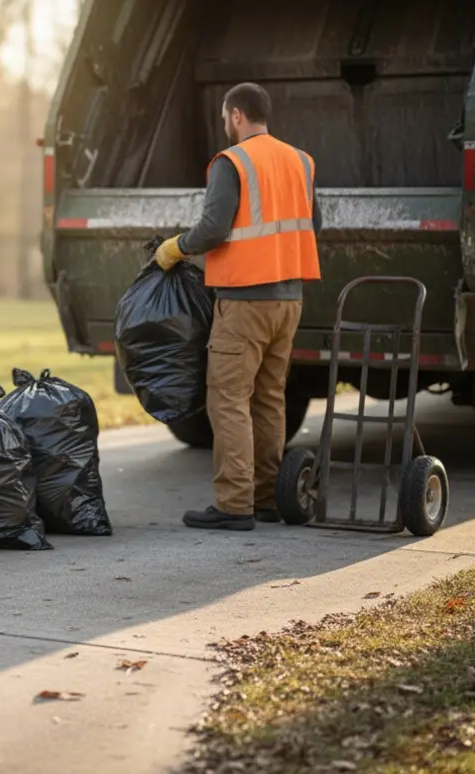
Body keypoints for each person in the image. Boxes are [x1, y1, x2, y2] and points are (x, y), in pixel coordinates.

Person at [153, 82, 322, 532]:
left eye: (226, 117)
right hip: (289, 301)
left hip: (245, 302)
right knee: (269, 398)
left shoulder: (233, 162)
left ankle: (233, 504)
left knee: (228, 399)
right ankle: (266, 497)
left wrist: (176, 247)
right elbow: (314, 224)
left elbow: (213, 228)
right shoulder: (301, 161)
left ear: (236, 115)